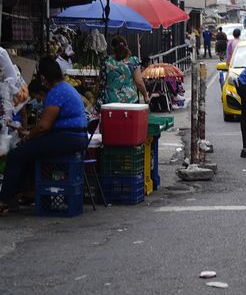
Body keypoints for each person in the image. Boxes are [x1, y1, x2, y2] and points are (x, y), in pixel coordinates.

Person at [0, 57, 89, 215]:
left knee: (15, 155)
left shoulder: (56, 92)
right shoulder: (66, 88)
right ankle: (26, 192)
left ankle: (5, 199)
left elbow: (43, 126)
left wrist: (29, 136)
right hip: (75, 138)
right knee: (28, 153)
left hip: (67, 138)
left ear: (43, 78)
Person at [98, 36, 149, 109]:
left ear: (112, 48)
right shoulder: (133, 61)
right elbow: (139, 82)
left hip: (111, 101)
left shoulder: (106, 61)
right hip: (130, 101)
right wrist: (145, 96)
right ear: (126, 46)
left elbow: (100, 81)